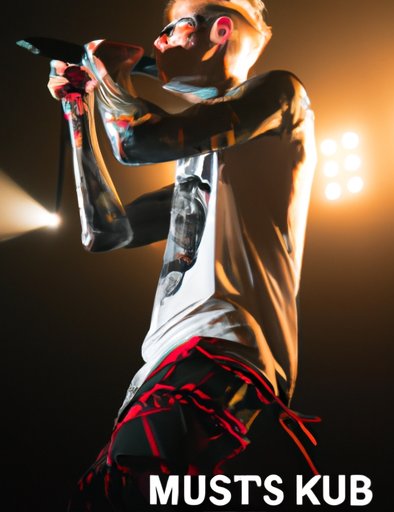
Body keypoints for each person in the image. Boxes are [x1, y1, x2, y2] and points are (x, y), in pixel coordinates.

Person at [48, 0, 317, 509]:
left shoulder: (283, 95)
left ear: (220, 31)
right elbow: (104, 231)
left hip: (223, 350)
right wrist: (78, 110)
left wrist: (110, 78)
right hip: (162, 366)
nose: (159, 41)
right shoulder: (203, 165)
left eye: (174, 28)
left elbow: (135, 140)